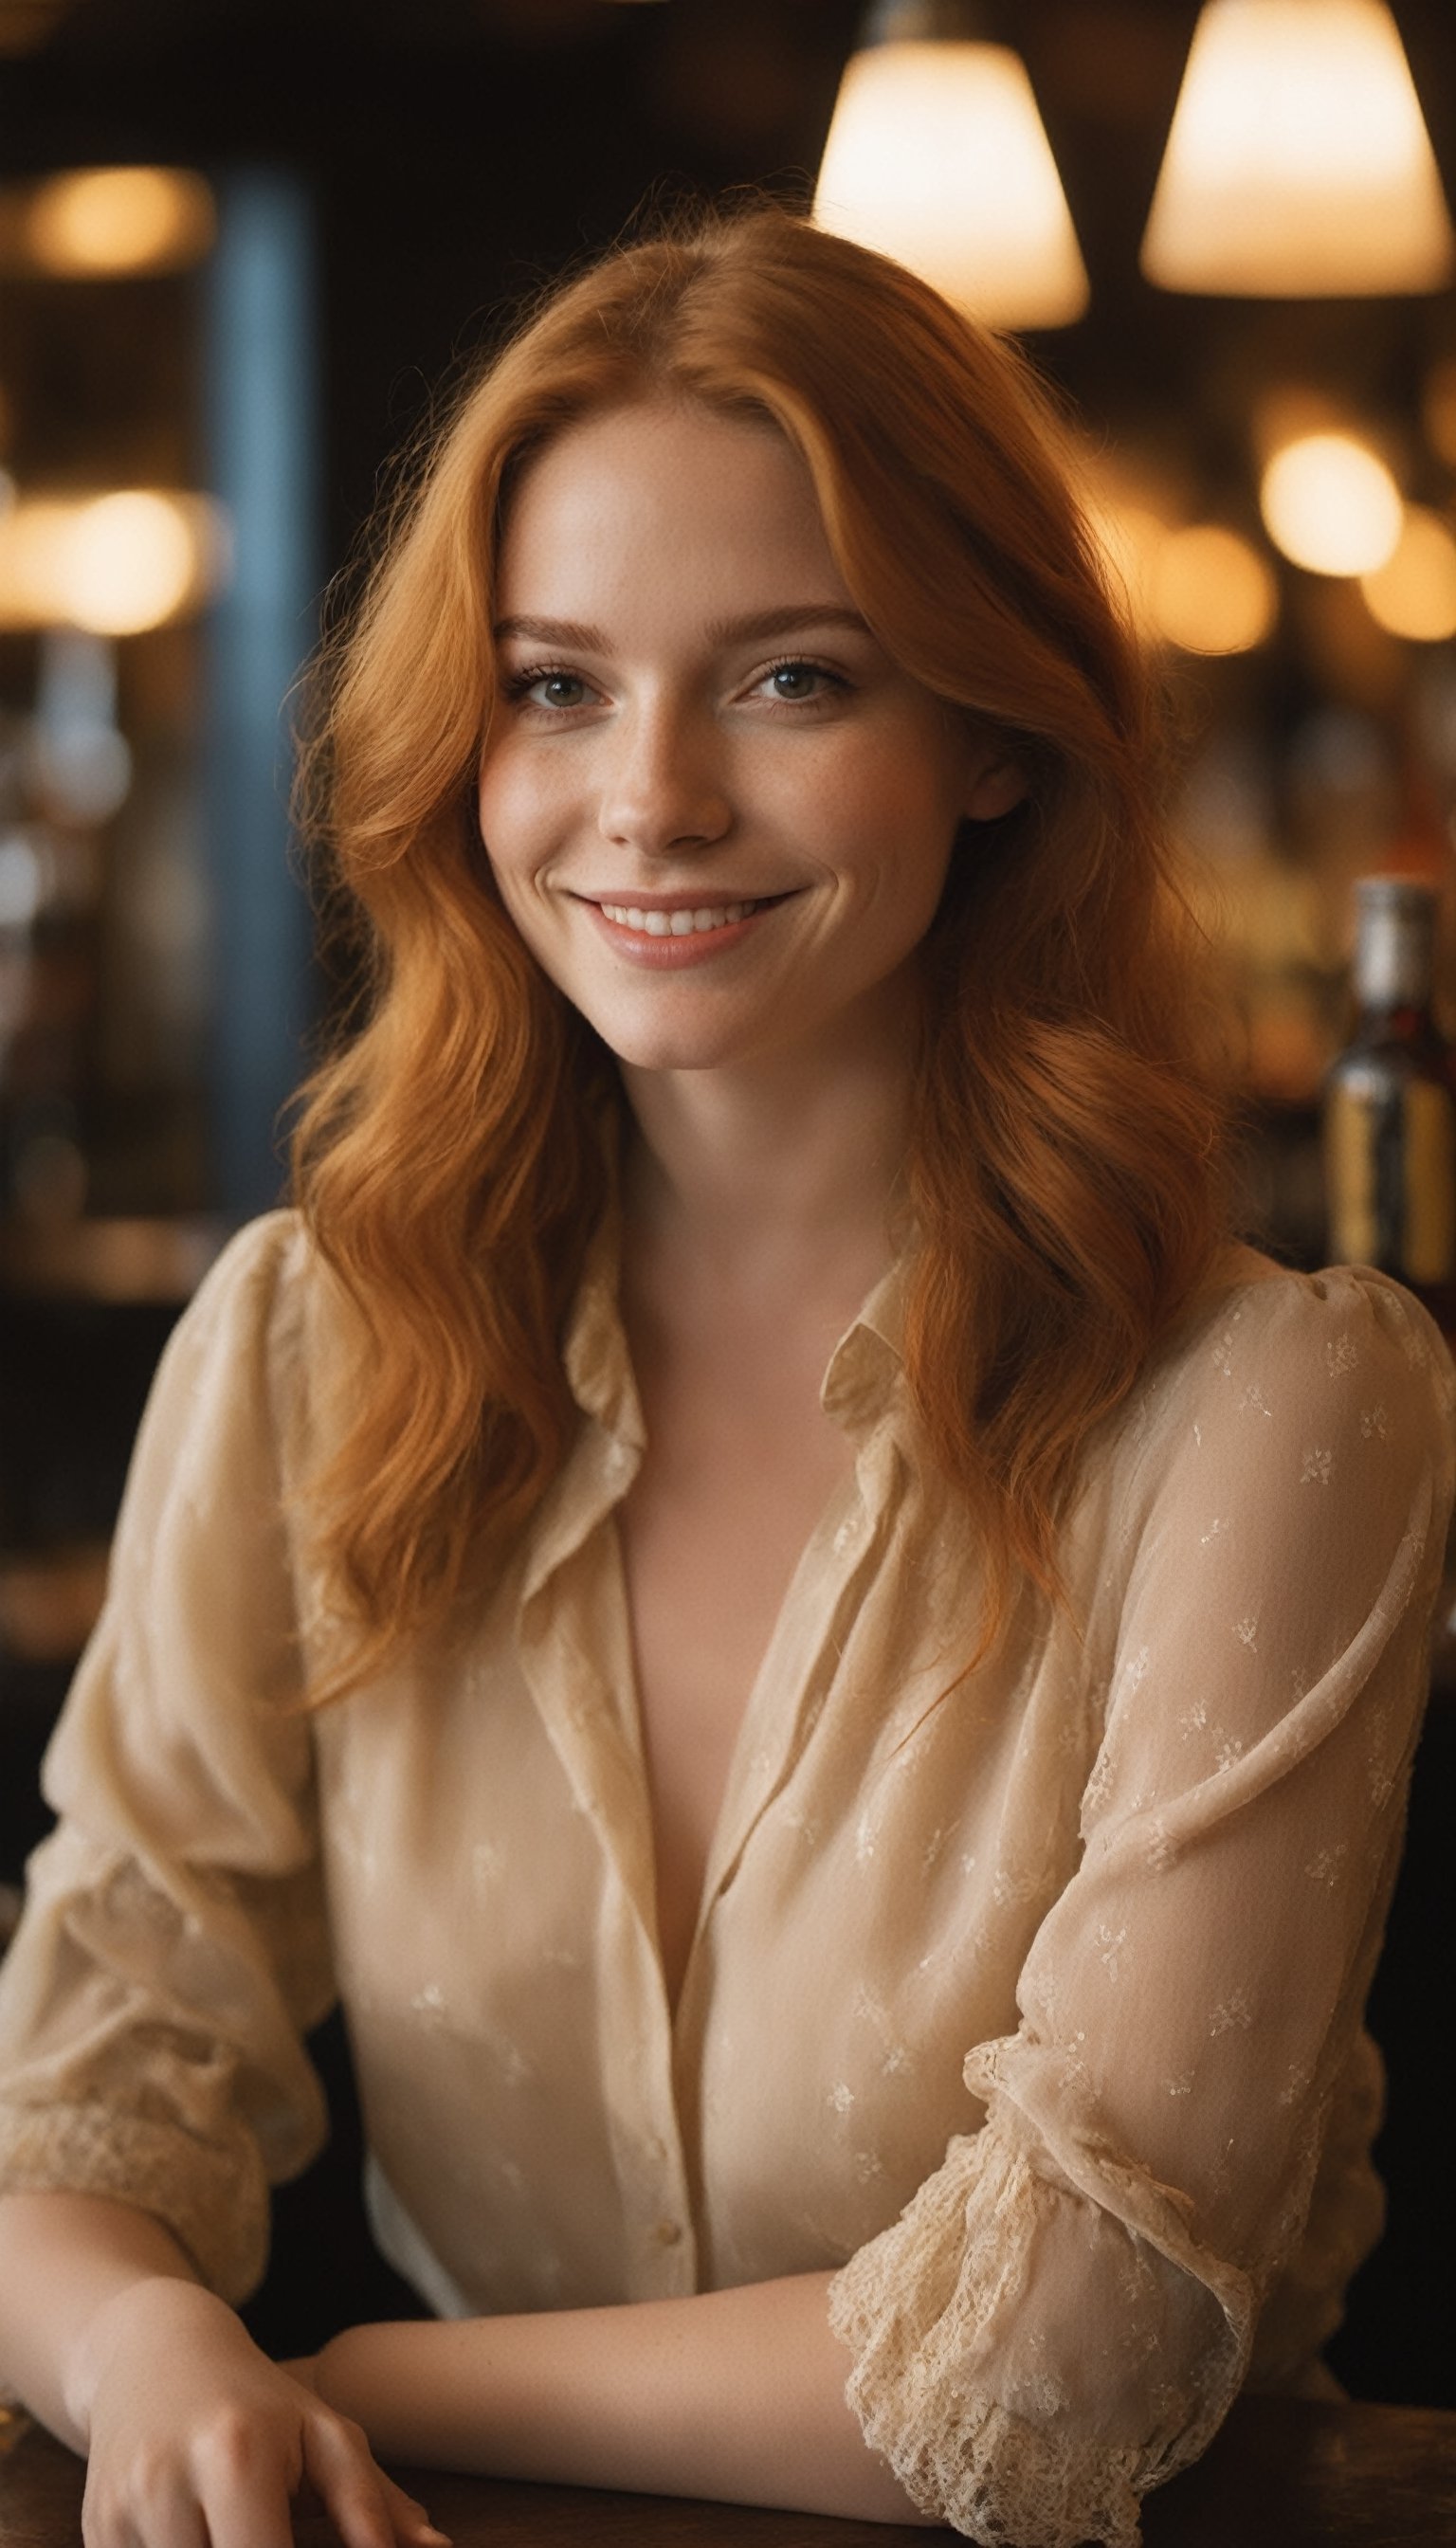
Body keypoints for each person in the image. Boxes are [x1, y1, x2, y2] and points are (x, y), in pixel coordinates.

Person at [0, 204, 1450, 2548]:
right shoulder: (309, 1342)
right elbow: (61, 2114)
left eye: (794, 680)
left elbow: (1064, 2356)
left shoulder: (1277, 1408)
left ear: (993, 733)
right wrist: (149, 2345)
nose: (649, 797)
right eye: (557, 683)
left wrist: (359, 2369)